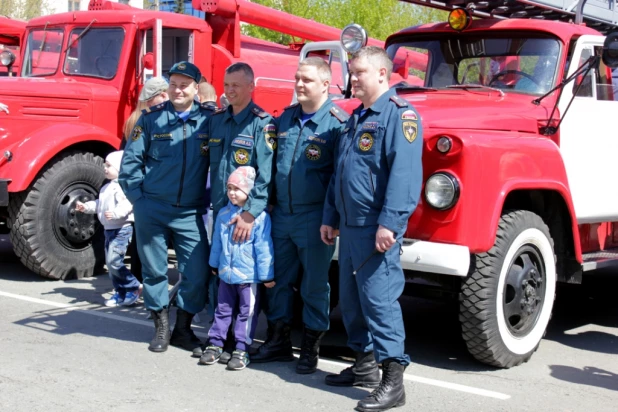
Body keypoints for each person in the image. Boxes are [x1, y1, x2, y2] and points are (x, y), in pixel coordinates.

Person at [320, 46, 423, 411]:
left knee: (379, 301)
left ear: (382, 74)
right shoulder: (356, 117)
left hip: (374, 228)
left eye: (359, 72)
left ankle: (393, 381)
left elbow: (405, 176)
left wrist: (390, 224)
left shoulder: (400, 116)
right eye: (350, 72)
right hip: (349, 227)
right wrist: (330, 217)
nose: (352, 79)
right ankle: (364, 365)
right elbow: (341, 172)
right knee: (351, 300)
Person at [251, 57, 348, 375]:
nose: (299, 84)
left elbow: (340, 176)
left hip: (315, 218)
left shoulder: (336, 123)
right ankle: (277, 340)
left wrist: (332, 218)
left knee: (314, 286)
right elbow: (270, 164)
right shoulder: (286, 118)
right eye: (297, 78)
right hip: (282, 216)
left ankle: (310, 347)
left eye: (307, 79)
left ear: (325, 84)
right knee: (275, 280)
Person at [119, 61, 216, 355]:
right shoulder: (150, 119)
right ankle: (161, 327)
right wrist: (139, 201)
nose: (177, 90)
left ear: (195, 89)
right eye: (173, 84)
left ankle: (183, 329)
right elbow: (129, 165)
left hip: (189, 211)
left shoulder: (209, 120)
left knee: (197, 273)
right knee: (154, 271)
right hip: (154, 208)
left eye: (184, 85)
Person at [206, 62, 275, 363]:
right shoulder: (217, 120)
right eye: (226, 84)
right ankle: (218, 341)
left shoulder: (263, 124)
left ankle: (241, 345)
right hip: (220, 214)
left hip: (246, 217)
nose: (229, 90)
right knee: (222, 282)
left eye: (236, 84)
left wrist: (250, 213)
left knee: (246, 286)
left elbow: (266, 173)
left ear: (251, 86)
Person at [199, 166, 275, 371]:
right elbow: (216, 242)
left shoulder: (259, 218)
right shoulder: (223, 214)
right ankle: (216, 343)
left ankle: (242, 347)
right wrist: (214, 264)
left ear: (249, 191)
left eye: (237, 189)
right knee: (222, 309)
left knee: (247, 312)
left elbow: (264, 248)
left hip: (249, 277)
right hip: (226, 274)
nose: (232, 192)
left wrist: (267, 276)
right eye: (229, 188)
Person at [120, 77, 170, 281]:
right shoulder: (144, 120)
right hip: (150, 192)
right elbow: (131, 159)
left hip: (147, 192)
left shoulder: (139, 118)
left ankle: (139, 279)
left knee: (144, 241)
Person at [76, 151, 141, 307]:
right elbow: (100, 204)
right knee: (111, 265)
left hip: (121, 229)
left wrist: (116, 214)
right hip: (108, 228)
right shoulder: (106, 187)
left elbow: (127, 205)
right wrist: (86, 207)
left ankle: (133, 287)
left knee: (114, 262)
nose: (105, 168)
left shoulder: (122, 187)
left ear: (119, 167)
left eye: (109, 165)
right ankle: (120, 292)